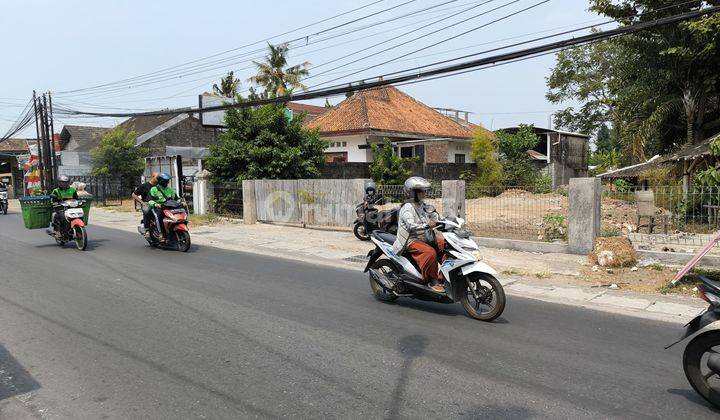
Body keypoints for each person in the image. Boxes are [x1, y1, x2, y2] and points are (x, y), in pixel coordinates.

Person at [392, 176, 446, 293]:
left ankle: (444, 277)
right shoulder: (407, 208)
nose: (424, 193)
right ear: (412, 193)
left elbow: (435, 216)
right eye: (421, 191)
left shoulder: (423, 205)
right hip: (410, 240)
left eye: (424, 190)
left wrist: (449, 221)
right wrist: (427, 225)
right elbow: (411, 225)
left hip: (425, 237)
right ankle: (433, 281)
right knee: (430, 253)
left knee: (446, 246)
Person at [147, 173, 180, 241]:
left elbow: (176, 198)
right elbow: (149, 200)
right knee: (158, 216)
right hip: (159, 207)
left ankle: (173, 230)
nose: (167, 182)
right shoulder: (154, 189)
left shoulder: (169, 189)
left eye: (167, 181)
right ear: (161, 181)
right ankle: (160, 234)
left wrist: (181, 201)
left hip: (169, 207)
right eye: (165, 181)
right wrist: (155, 204)